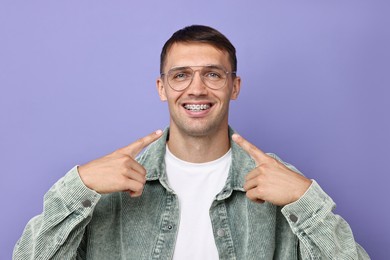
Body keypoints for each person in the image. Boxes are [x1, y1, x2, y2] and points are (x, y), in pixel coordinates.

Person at [13, 25, 370, 259]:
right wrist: (79, 187)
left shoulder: (279, 180)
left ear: (234, 86)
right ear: (161, 88)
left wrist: (306, 200)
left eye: (213, 74)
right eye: (181, 75)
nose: (196, 88)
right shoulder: (104, 186)